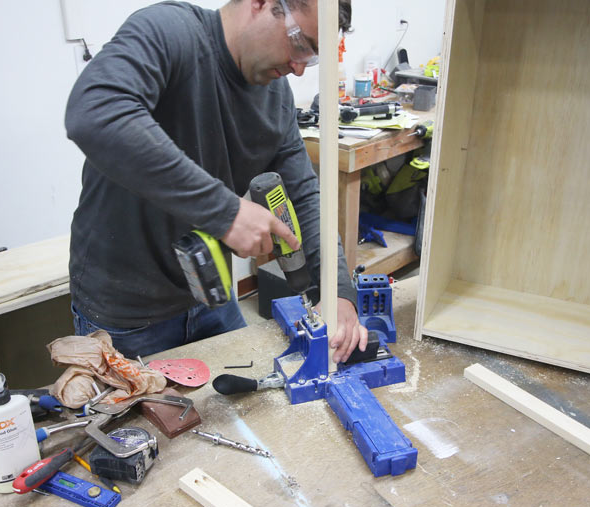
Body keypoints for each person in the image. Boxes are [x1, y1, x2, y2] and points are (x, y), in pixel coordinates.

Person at [64, 0, 366, 363]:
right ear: (260, 4)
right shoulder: (170, 32)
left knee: (248, 407)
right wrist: (227, 213)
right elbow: (95, 112)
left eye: (312, 56)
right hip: (127, 314)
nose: (299, 68)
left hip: (210, 295)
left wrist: (339, 293)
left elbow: (303, 195)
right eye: (301, 44)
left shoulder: (276, 97)